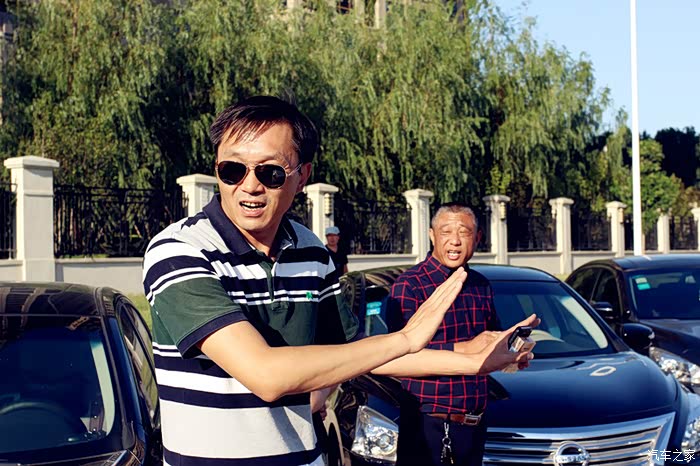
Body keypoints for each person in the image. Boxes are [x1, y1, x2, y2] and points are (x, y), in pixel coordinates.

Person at [142, 96, 532, 466]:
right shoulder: (179, 250)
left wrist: (473, 361)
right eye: (233, 169)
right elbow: (266, 375)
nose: (249, 185)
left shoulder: (311, 252)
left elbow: (360, 353)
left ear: (302, 176)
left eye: (270, 172)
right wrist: (405, 337)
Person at [383, 202, 536, 466]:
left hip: (475, 424)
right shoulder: (410, 285)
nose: (455, 241)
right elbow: (397, 358)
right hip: (428, 424)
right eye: (446, 232)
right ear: (432, 235)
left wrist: (510, 356)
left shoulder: (480, 285)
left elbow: (486, 347)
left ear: (477, 238)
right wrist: (466, 349)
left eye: (464, 232)